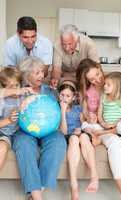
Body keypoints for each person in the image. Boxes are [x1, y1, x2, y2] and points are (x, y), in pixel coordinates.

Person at [76, 58, 121, 200]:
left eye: (97, 74)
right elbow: (83, 116)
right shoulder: (87, 92)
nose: (97, 80)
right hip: (99, 127)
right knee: (115, 143)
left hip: (117, 125)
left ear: (99, 67)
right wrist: (90, 118)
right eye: (92, 79)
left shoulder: (113, 81)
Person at [12, 56, 66, 200]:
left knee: (59, 141)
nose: (42, 75)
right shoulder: (17, 91)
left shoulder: (49, 90)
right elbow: (9, 112)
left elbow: (57, 112)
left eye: (42, 72)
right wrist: (21, 104)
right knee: (24, 144)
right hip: (24, 131)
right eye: (37, 73)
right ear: (26, 74)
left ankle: (37, 190)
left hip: (49, 131)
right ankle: (37, 197)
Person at [59, 80, 99, 200]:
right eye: (62, 95)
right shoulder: (56, 108)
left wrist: (80, 129)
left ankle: (94, 176)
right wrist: (62, 111)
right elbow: (64, 131)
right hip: (67, 135)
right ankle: (73, 184)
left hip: (79, 133)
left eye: (68, 96)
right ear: (58, 94)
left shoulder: (78, 109)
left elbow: (84, 125)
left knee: (83, 137)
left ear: (73, 97)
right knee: (73, 139)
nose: (64, 98)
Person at [50, 24, 99, 89]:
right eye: (64, 44)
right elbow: (56, 69)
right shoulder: (57, 45)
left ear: (77, 40)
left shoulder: (89, 44)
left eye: (70, 44)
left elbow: (96, 67)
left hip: (84, 75)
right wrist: (55, 79)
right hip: (65, 76)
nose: (67, 48)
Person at [0, 67, 22, 170]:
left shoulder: (23, 97)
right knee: (2, 147)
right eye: (11, 87)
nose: (15, 90)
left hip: (19, 133)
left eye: (17, 85)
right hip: (4, 133)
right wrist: (9, 120)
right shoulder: (2, 101)